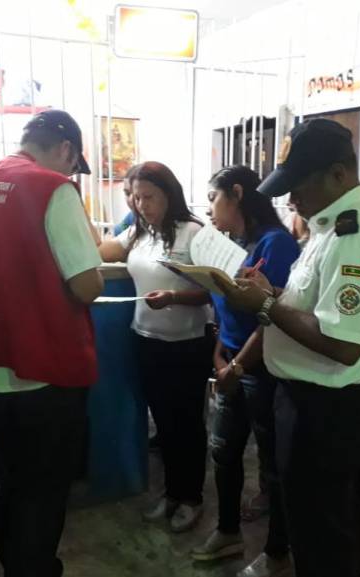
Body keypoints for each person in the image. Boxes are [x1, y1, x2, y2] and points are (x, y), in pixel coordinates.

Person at [214, 119, 360, 577]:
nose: (291, 200)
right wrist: (272, 293)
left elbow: (342, 344)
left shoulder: (356, 239)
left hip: (327, 410)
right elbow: (314, 307)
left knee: (324, 535)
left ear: (338, 174)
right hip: (305, 402)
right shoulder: (330, 227)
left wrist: (264, 304)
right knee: (309, 526)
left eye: (298, 187)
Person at [0, 108, 103, 577]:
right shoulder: (51, 188)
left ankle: (16, 566)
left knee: (14, 482)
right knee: (44, 492)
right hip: (44, 369)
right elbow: (88, 286)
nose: (70, 173)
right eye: (73, 164)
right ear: (66, 150)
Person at [189, 165, 299, 577]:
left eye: (213, 198)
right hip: (232, 360)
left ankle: (277, 552)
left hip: (263, 366)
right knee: (224, 450)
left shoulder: (275, 244)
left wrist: (236, 366)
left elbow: (272, 317)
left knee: (273, 465)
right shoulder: (231, 244)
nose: (209, 208)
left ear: (236, 193)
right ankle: (228, 531)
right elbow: (224, 306)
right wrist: (220, 354)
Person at [99, 161, 213, 533]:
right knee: (163, 423)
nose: (141, 204)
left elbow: (219, 289)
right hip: (146, 340)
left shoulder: (194, 232)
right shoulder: (139, 232)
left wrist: (176, 297)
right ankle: (171, 492)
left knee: (188, 424)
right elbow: (103, 251)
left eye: (148, 196)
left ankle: (191, 497)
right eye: (135, 197)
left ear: (169, 194)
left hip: (187, 344)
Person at [112, 165, 138, 236]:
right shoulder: (132, 216)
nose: (131, 199)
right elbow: (118, 230)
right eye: (127, 193)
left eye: (137, 194)